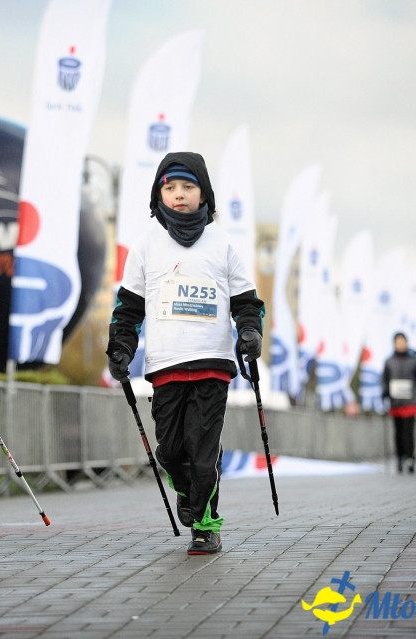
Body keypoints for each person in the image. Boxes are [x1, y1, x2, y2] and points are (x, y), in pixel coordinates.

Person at [106, 151, 266, 555]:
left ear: (203, 193)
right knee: (171, 450)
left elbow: (247, 301)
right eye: (170, 187)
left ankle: (206, 526)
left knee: (202, 449)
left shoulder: (223, 243)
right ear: (159, 193)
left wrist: (249, 332)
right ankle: (188, 490)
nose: (179, 195)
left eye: (188, 187)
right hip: (165, 366)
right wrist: (121, 348)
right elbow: (128, 308)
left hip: (212, 365)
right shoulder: (145, 244)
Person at [381, 332, 416, 474]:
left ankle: (410, 458)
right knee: (398, 432)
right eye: (397, 342)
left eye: (402, 341)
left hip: (410, 401)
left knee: (408, 431)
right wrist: (385, 393)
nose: (400, 344)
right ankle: (399, 456)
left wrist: (415, 389)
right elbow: (384, 380)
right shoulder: (389, 361)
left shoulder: (414, 360)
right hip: (395, 402)